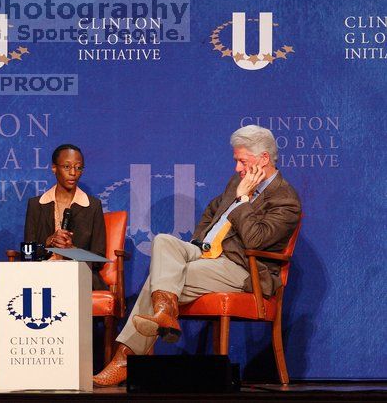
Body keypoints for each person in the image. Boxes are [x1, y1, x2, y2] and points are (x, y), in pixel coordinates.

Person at [93, 125, 301, 386]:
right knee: (164, 241)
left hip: (241, 268)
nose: (237, 168)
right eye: (236, 160)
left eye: (242, 161)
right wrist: (199, 243)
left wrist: (244, 200)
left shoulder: (285, 199)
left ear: (264, 160)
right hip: (206, 254)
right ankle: (164, 312)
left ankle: (126, 355)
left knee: (161, 278)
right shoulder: (237, 182)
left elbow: (255, 240)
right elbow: (214, 210)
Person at [24, 144, 107, 290]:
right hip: (43, 274)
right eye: (67, 167)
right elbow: (27, 254)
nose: (73, 173)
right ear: (54, 168)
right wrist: (47, 242)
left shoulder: (93, 205)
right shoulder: (36, 204)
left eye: (78, 167)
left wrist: (72, 249)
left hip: (79, 275)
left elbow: (99, 259)